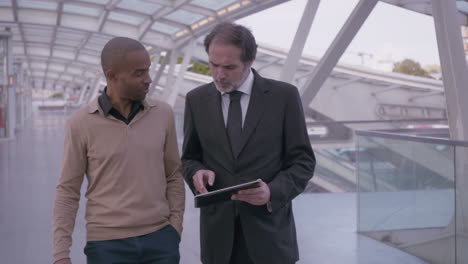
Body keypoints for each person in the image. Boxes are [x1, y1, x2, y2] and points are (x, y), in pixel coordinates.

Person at [181, 22, 316, 264]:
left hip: (270, 237)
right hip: (218, 240)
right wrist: (197, 172)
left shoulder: (284, 97)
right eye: (213, 64)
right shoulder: (196, 100)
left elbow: (303, 161)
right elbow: (189, 157)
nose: (219, 74)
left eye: (229, 67)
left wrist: (271, 192)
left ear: (250, 61)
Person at [52, 37, 185, 264]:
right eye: (139, 73)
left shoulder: (163, 114)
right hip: (107, 246)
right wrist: (60, 254)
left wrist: (175, 227)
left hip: (161, 240)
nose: (148, 79)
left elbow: (173, 174)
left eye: (149, 71)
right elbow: (68, 190)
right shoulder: (81, 124)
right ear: (112, 75)